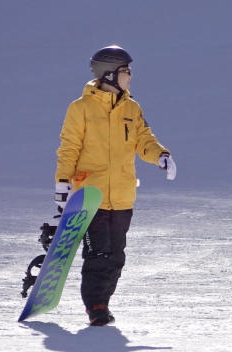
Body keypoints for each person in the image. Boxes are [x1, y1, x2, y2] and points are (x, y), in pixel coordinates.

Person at [54, 46, 176, 326]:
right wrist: (62, 182)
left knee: (116, 257)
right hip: (90, 195)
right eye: (125, 71)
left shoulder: (131, 108)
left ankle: (103, 302)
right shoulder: (80, 108)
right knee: (99, 254)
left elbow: (144, 140)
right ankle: (95, 306)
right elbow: (69, 148)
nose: (130, 76)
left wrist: (161, 156)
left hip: (122, 196)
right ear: (109, 73)